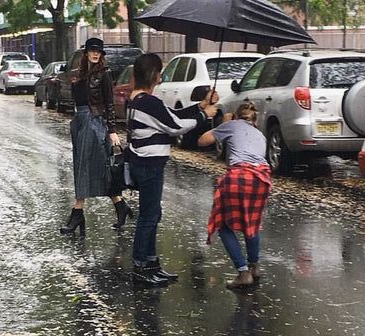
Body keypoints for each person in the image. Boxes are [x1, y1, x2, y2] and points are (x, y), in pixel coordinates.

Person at [128, 53, 218, 286]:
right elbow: (175, 126)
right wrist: (203, 116)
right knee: (149, 216)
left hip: (146, 163)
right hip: (149, 165)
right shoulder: (147, 102)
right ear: (155, 75)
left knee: (152, 214)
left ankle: (151, 263)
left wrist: (200, 104)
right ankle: (140, 266)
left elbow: (172, 115)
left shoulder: (141, 100)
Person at [60, 37, 133, 235]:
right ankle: (120, 206)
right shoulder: (80, 74)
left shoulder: (104, 73)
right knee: (96, 169)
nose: (95, 54)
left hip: (95, 123)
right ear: (86, 53)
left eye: (98, 51)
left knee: (87, 168)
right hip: (81, 122)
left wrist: (111, 130)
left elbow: (109, 103)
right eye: (92, 50)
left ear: (101, 54)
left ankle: (77, 213)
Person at [197, 102, 272, 289]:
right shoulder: (261, 135)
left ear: (236, 116)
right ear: (255, 121)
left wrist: (223, 124)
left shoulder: (231, 125)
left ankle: (243, 271)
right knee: (252, 223)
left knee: (222, 224)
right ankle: (255, 267)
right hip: (262, 178)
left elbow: (202, 141)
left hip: (239, 176)